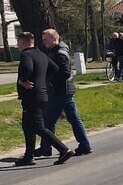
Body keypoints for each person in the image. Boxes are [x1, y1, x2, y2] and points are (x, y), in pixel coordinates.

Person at [14, 31, 73, 166]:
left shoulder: (26, 55)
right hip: (42, 95)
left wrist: (23, 80)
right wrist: (44, 80)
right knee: (27, 126)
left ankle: (64, 149)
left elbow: (27, 68)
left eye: (18, 42)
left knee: (39, 127)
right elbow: (55, 68)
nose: (17, 45)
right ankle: (28, 156)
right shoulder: (41, 54)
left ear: (23, 43)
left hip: (31, 96)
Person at [38, 28, 91, 157]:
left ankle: (46, 147)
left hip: (61, 90)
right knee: (73, 118)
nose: (44, 42)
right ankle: (84, 144)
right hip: (65, 90)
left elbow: (65, 73)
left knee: (48, 120)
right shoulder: (56, 50)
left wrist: (52, 82)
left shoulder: (60, 53)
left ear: (54, 39)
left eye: (46, 39)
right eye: (43, 39)